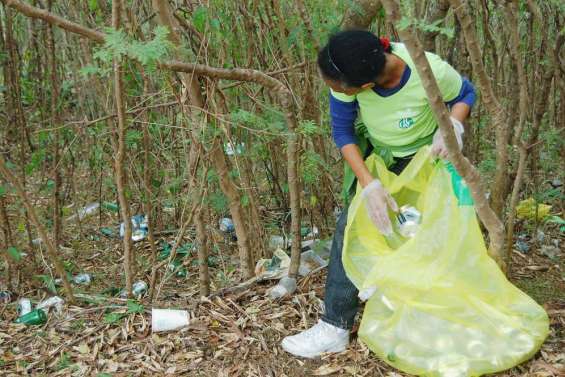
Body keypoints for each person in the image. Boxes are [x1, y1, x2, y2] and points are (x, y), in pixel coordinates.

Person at [281, 30, 476, 359]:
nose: (336, 92)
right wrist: (369, 185)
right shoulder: (347, 72)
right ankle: (335, 327)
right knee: (353, 226)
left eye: (340, 89)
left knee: (429, 234)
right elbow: (343, 131)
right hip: (383, 161)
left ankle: (433, 321)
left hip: (430, 159)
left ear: (367, 86)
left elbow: (465, 93)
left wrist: (452, 126)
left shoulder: (427, 69)